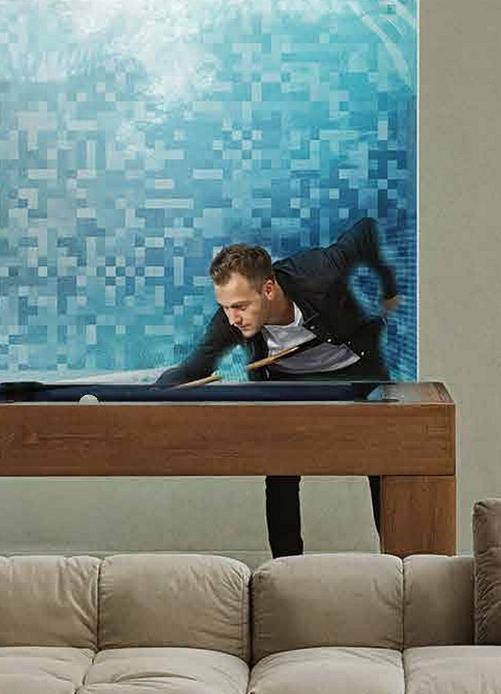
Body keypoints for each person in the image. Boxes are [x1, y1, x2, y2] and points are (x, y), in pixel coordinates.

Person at [160, 219, 396, 557]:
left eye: (240, 306)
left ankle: (396, 561)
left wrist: (388, 287)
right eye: (225, 307)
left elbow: (366, 231)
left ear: (268, 290)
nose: (232, 318)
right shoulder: (229, 321)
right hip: (290, 383)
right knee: (281, 468)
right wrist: (145, 396)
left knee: (382, 457)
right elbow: (193, 368)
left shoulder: (320, 272)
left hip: (356, 368)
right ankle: (287, 568)